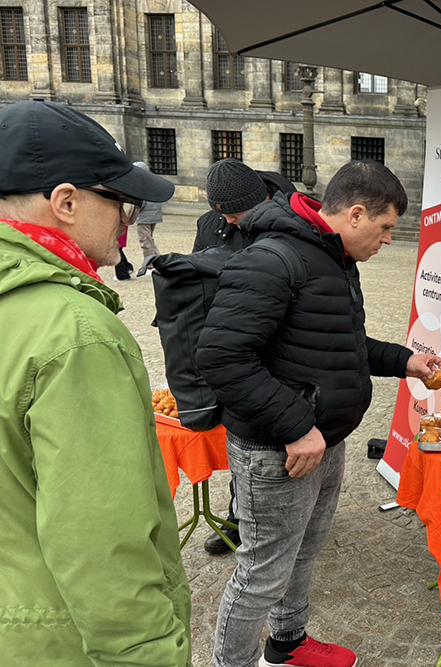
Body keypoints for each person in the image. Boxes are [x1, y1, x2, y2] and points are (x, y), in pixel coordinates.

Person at [196, 159, 441, 667]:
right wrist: (296, 426)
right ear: (355, 215)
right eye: (386, 227)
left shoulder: (333, 256)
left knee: (304, 552)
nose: (389, 240)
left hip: (321, 440)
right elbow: (220, 358)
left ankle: (286, 645)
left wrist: (406, 362)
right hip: (278, 451)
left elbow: (340, 346)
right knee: (262, 572)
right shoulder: (273, 259)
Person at [0, 100, 191, 665]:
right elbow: (100, 539)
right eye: (122, 203)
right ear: (66, 202)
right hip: (58, 638)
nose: (127, 221)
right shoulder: (76, 332)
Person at [194, 159, 284, 555]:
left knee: (281, 440)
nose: (229, 223)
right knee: (243, 438)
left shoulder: (291, 215)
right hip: (234, 346)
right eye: (222, 215)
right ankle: (239, 516)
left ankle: (288, 519)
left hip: (280, 345)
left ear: (260, 199)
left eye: (235, 214)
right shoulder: (210, 224)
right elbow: (198, 279)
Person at [193, 164, 297, 253]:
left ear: (257, 202)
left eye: (235, 214)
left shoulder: (295, 223)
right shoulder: (206, 224)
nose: (229, 220)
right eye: (223, 214)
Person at [133, 160, 165, 276]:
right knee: (150, 239)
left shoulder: (141, 184)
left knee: (145, 241)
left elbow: (140, 202)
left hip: (145, 216)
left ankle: (150, 265)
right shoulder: (152, 181)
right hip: (153, 215)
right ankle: (158, 261)